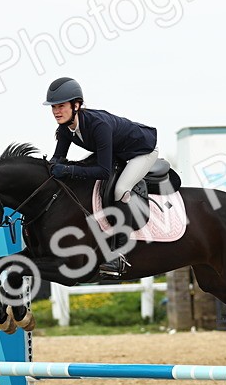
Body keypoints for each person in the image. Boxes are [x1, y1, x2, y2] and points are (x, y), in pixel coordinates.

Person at [44, 77, 159, 277]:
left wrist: (69, 170)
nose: (56, 111)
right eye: (53, 107)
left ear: (76, 105)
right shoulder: (65, 129)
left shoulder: (98, 125)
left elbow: (103, 171)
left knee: (120, 190)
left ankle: (120, 254)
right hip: (119, 152)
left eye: (61, 106)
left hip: (142, 151)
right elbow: (57, 159)